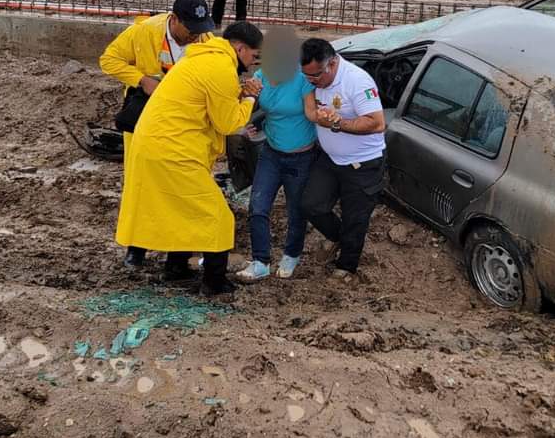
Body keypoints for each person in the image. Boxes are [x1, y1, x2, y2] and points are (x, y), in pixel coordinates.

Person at [115, 21, 264, 296]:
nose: (253, 64)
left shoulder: (204, 58)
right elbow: (228, 122)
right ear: (240, 48)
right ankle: (214, 282)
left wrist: (238, 93)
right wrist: (250, 99)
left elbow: (209, 101)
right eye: (254, 57)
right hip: (172, 151)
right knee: (216, 215)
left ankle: (176, 267)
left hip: (159, 146)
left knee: (178, 211)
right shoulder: (220, 68)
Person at [99, 0, 214, 268]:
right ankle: (136, 248)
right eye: (190, 30)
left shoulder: (205, 40)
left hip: (182, 124)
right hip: (146, 119)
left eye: (200, 29)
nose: (195, 36)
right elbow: (109, 59)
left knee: (180, 184)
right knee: (141, 184)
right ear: (173, 20)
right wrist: (142, 80)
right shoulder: (144, 32)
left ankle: (178, 249)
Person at [298, 38, 386, 280]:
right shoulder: (311, 76)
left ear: (332, 64)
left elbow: (377, 123)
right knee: (311, 205)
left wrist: (338, 123)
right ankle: (339, 237)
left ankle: (347, 266)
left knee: (355, 217)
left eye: (316, 76)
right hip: (330, 158)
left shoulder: (357, 81)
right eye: (307, 76)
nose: (312, 82)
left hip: (362, 163)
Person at [236, 28, 318, 283]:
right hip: (271, 153)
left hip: (301, 157)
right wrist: (246, 98)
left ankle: (292, 253)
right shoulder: (261, 76)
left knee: (296, 209)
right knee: (258, 206)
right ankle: (261, 260)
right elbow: (248, 105)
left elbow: (312, 112)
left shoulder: (304, 80)